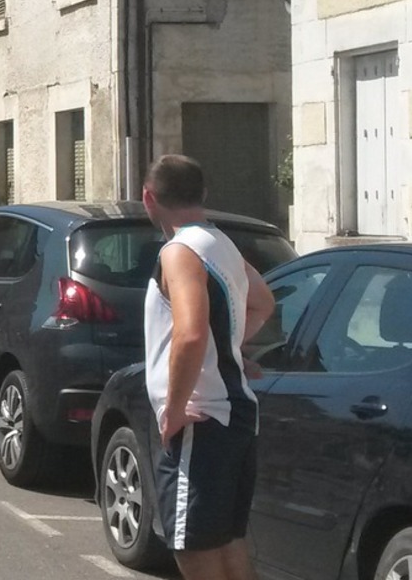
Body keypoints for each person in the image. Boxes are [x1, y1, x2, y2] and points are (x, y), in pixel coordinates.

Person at [142, 155, 273, 580]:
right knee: (228, 547)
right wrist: (229, 350)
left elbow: (192, 332)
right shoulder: (221, 243)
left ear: (149, 199)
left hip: (203, 420)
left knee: (194, 552)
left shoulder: (179, 252)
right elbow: (262, 302)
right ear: (204, 195)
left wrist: (175, 409)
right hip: (234, 416)